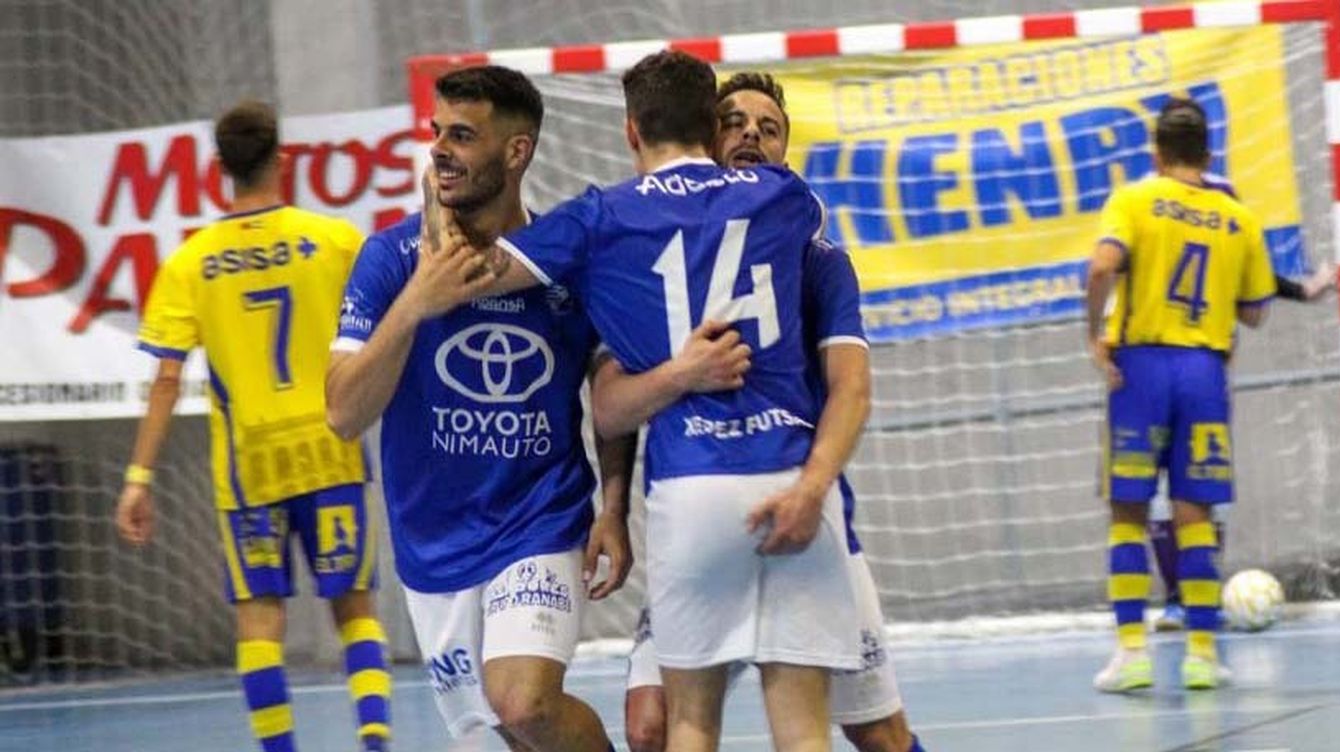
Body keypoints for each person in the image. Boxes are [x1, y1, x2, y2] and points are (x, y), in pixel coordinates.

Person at [455, 50, 861, 752]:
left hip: (691, 484)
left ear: (631, 130)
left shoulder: (598, 219)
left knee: (689, 726)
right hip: (790, 478)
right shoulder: (788, 200)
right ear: (712, 127)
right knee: (804, 733)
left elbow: (479, 272)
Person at [612, 71, 925, 752]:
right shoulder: (646, 251)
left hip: (803, 510)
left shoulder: (815, 261)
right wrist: (675, 381)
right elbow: (610, 404)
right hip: (699, 516)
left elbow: (853, 388)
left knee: (877, 732)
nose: (751, 133)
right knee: (651, 724)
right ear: (703, 135)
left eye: (769, 126)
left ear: (785, 155)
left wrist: (813, 488)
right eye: (734, 121)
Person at [323, 66, 630, 752]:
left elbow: (609, 399)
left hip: (539, 520)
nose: (440, 149)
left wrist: (613, 507)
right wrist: (416, 305)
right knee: (503, 734)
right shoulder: (392, 258)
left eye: (463, 135)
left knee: (523, 703)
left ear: (516, 152)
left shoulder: (565, 264)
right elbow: (343, 412)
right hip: (433, 542)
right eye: (437, 132)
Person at [117, 101, 391, 752]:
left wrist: (138, 478)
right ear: (283, 160)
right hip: (333, 450)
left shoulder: (192, 261)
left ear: (218, 171)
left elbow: (165, 377)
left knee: (259, 622)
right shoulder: (336, 241)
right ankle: (377, 742)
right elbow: (385, 336)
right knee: (354, 610)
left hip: (250, 469)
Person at [1084, 98, 1275, 692]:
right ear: (1209, 155)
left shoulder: (1136, 199)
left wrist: (1094, 333)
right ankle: (1200, 654)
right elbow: (1256, 312)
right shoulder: (1237, 216)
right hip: (1204, 374)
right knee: (1195, 515)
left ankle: (1133, 653)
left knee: (1128, 514)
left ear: (1157, 154)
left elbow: (1100, 267)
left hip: (1140, 369)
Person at [1148, 174, 1338, 632]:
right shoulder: (1188, 252)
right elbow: (1254, 307)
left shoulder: (1196, 254)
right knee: (1193, 487)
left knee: (1177, 491)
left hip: (1168, 383)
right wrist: (1304, 289)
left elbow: (1254, 289)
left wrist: (1304, 288)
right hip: (1189, 382)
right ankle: (1190, 597)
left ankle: (1186, 598)